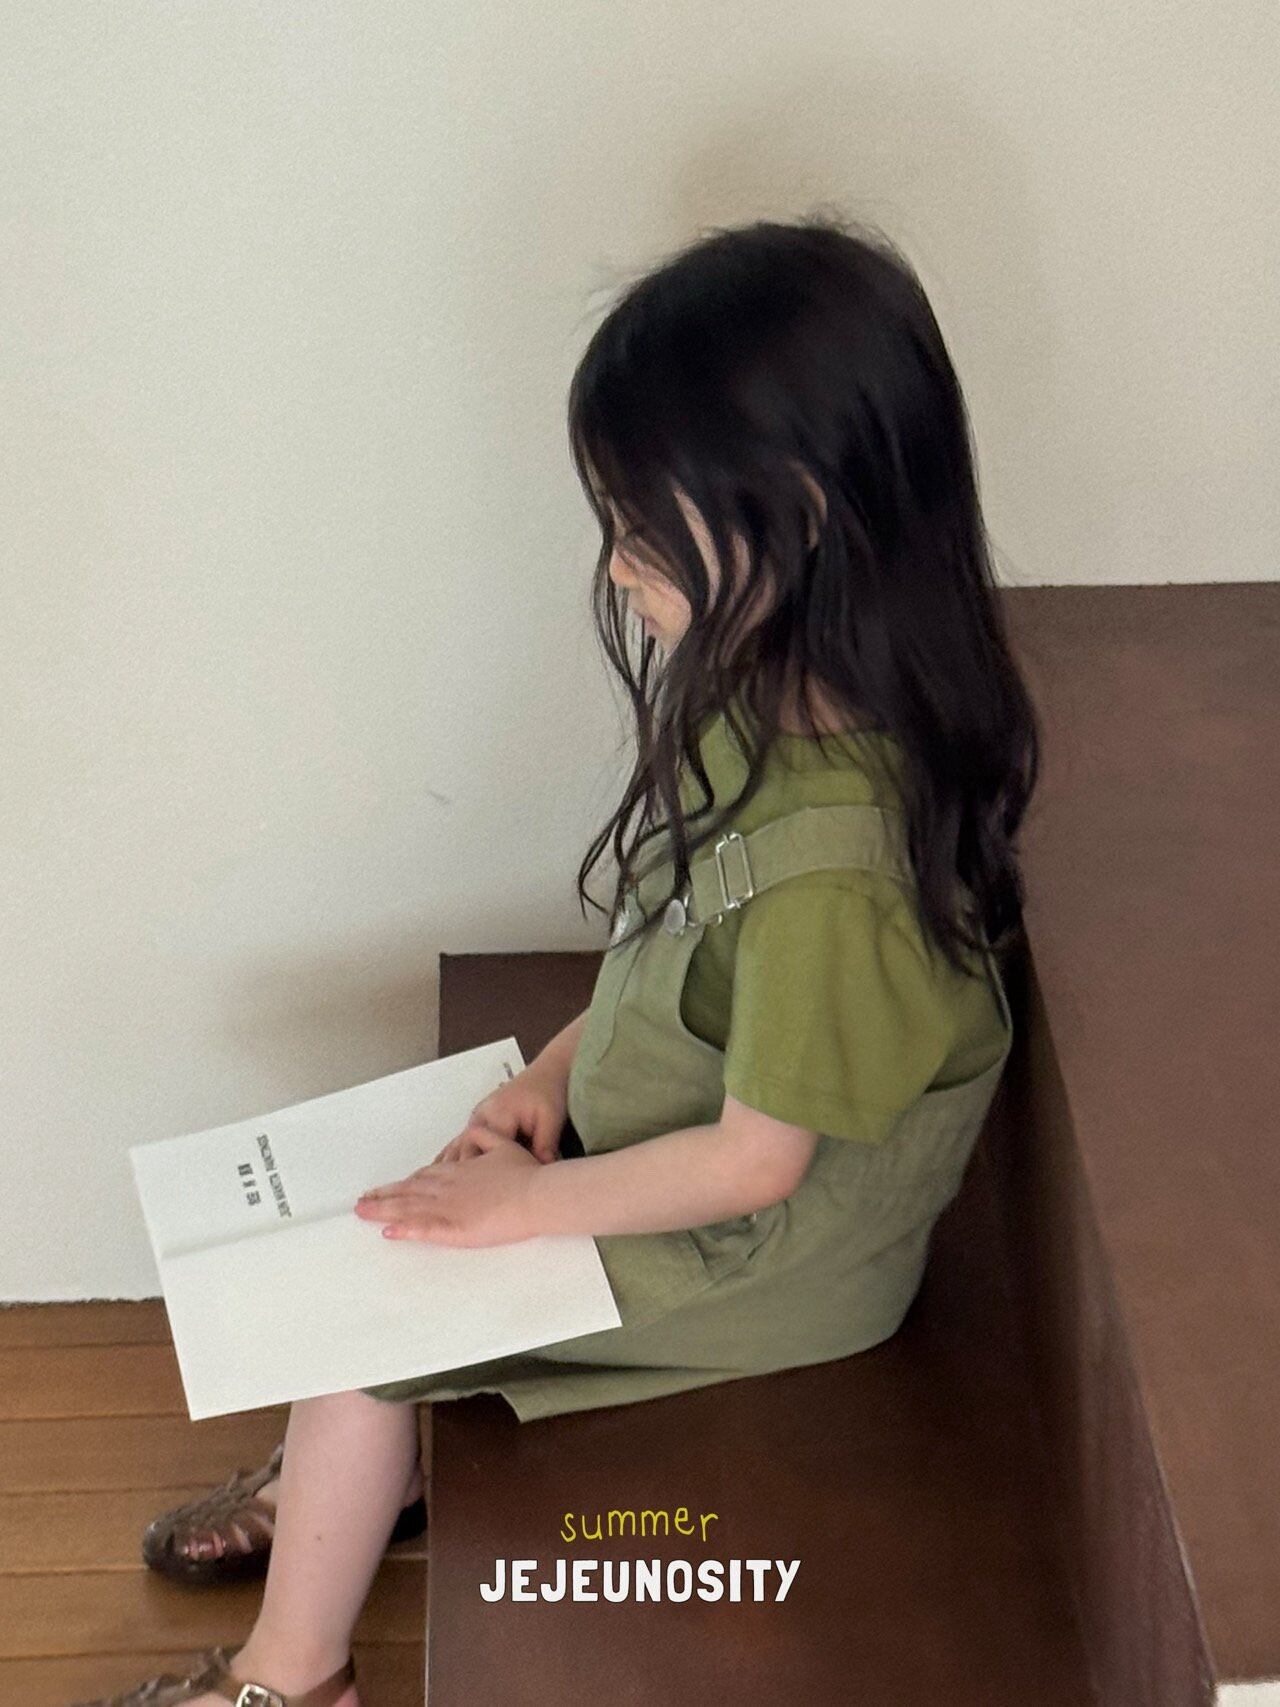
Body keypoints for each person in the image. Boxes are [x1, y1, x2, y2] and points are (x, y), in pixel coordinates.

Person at [85, 211, 1038, 1707]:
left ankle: (289, 1675)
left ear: (797, 515)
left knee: (359, 1332)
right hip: (684, 1149)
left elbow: (755, 1167)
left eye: (643, 530)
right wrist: (549, 1072)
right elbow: (671, 942)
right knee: (381, 1207)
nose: (616, 569)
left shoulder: (836, 875)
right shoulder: (766, 696)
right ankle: (365, 1472)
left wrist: (527, 1207)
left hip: (772, 1257)